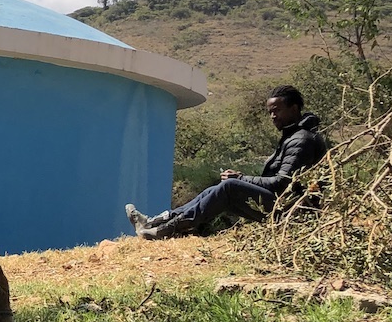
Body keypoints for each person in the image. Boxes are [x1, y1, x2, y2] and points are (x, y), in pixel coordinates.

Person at [126, 85, 328, 240]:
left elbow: (283, 184)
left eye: (277, 111)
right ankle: (158, 221)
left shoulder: (301, 140)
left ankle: (165, 230)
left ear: (294, 109)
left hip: (293, 210)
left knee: (230, 187)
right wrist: (241, 178)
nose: (273, 116)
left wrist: (240, 178)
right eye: (270, 112)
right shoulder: (292, 136)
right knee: (219, 188)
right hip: (281, 204)